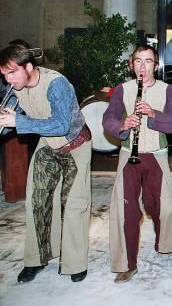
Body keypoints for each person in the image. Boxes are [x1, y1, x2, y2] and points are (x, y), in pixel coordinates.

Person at [0, 44, 91, 283]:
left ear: (28, 66)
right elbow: (12, 118)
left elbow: (61, 125)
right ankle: (35, 260)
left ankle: (75, 262)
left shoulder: (56, 84)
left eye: (12, 73)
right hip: (48, 143)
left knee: (73, 205)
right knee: (36, 200)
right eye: (4, 75)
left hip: (75, 143)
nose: (8, 80)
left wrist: (17, 121)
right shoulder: (15, 87)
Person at [102, 45, 172, 283]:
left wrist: (153, 114)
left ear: (155, 65)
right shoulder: (121, 90)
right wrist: (123, 124)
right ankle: (127, 263)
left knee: (161, 206)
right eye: (138, 61)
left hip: (156, 155)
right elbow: (109, 119)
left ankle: (164, 242)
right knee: (126, 210)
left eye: (148, 61)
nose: (142, 66)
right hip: (130, 155)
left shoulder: (166, 90)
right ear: (131, 64)